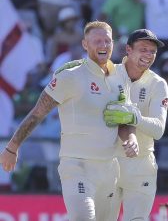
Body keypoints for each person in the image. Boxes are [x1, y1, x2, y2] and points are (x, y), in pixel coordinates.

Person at [0, 20, 139, 221]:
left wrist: (131, 138)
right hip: (77, 166)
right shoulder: (70, 76)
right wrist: (12, 147)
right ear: (85, 44)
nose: (103, 45)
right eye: (97, 41)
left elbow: (125, 119)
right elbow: (38, 112)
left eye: (107, 41)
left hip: (109, 169)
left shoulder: (121, 78)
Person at [103, 29, 168, 220]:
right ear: (128, 50)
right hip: (109, 162)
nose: (148, 55)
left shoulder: (158, 84)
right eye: (143, 49)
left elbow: (158, 130)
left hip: (141, 164)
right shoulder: (109, 75)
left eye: (153, 51)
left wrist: (134, 117)